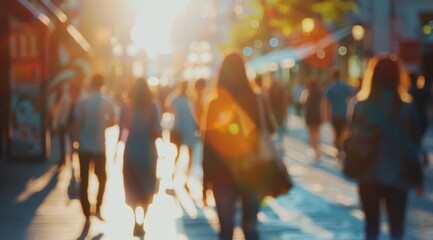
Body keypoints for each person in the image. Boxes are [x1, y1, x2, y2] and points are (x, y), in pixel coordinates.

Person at [202, 51, 276, 240]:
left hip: (221, 172)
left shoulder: (215, 103)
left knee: (226, 230)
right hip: (252, 171)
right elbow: (270, 129)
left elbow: (208, 144)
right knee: (250, 228)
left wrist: (205, 179)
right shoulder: (256, 99)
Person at [349, 54, 424, 239]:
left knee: (371, 227)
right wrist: (418, 177)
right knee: (397, 228)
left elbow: (351, 139)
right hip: (398, 175)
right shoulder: (407, 109)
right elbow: (414, 144)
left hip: (368, 173)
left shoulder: (361, 107)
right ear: (399, 77)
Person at [120, 77, 161, 237]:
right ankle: (142, 219)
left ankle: (134, 219)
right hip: (148, 151)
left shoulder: (127, 107)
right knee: (146, 186)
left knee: (131, 185)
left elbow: (122, 129)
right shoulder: (153, 106)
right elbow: (157, 130)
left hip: (131, 150)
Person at [74, 74, 115, 224]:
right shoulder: (107, 101)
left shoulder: (83, 101)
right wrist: (102, 125)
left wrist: (75, 142)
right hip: (99, 146)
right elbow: (112, 121)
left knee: (84, 178)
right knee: (102, 177)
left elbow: (77, 123)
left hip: (84, 145)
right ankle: (98, 206)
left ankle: (86, 210)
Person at [165, 80, 199, 190]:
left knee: (182, 154)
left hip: (183, 129)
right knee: (182, 154)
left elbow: (168, 108)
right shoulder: (186, 99)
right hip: (183, 129)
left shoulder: (179, 99)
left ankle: (181, 176)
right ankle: (178, 176)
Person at [324, 69, 355, 156]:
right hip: (344, 114)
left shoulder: (330, 88)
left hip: (335, 114)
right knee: (343, 132)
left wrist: (326, 114)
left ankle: (338, 150)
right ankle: (342, 148)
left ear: (332, 77)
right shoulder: (345, 87)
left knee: (336, 133)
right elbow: (353, 95)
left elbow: (327, 103)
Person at [304, 76, 324, 161]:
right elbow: (322, 104)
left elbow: (304, 103)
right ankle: (317, 150)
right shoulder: (319, 92)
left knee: (312, 133)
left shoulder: (308, 93)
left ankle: (315, 151)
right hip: (317, 114)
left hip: (310, 114)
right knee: (317, 133)